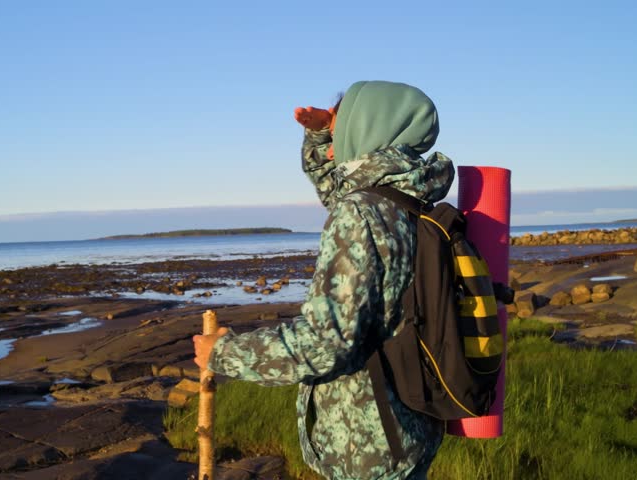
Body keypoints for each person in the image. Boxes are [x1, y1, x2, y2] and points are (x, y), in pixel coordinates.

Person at [193, 81, 455, 479]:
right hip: (411, 426)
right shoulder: (411, 199)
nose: (334, 144)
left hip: (367, 446)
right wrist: (317, 137)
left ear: (366, 129)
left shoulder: (361, 213)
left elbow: (325, 341)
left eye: (341, 129)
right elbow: (341, 188)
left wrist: (224, 353)